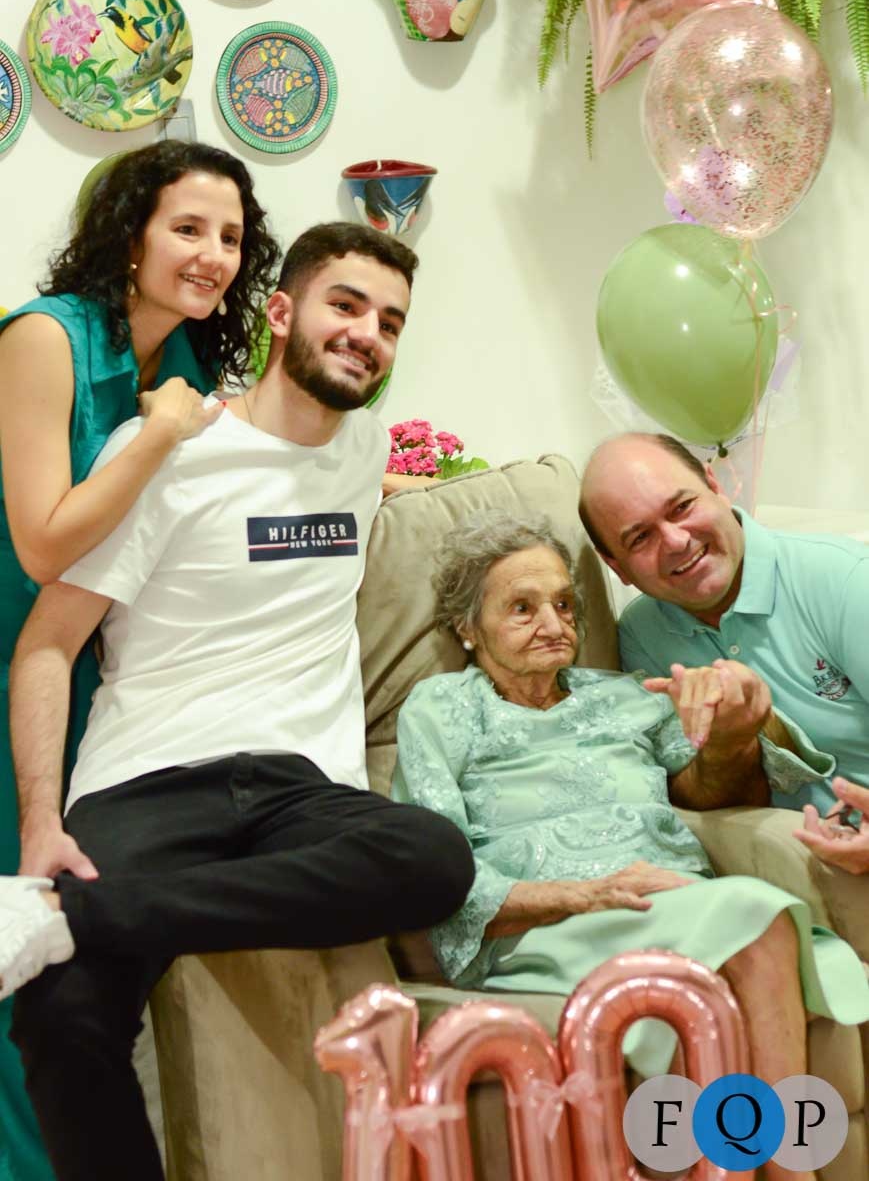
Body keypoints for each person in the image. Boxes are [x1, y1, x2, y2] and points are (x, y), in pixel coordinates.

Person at [0, 222, 474, 1181]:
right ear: (281, 312)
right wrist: (42, 825)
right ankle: (84, 919)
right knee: (60, 1014)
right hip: (145, 780)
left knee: (433, 858)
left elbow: (353, 480)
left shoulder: (362, 449)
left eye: (389, 322)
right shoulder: (170, 453)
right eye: (346, 305)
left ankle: (83, 914)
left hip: (301, 787)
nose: (367, 334)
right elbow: (48, 644)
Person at [392, 511, 869, 1181]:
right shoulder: (441, 709)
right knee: (757, 919)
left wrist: (734, 722)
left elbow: (717, 776)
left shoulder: (623, 696)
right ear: (468, 628)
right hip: (548, 926)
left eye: (564, 604)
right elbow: (431, 865)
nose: (553, 623)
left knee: (750, 930)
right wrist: (585, 895)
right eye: (522, 608)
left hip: (673, 902)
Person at [0, 139, 280, 1181]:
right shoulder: (45, 339)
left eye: (231, 237)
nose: (213, 255)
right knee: (15, 939)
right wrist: (159, 432)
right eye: (187, 228)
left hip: (90, 675)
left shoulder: (189, 364)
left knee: (57, 946)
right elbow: (42, 544)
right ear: (130, 237)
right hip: (16, 653)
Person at [579, 432, 869, 862]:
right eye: (640, 537)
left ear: (714, 485)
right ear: (616, 567)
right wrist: (727, 742)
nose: (675, 541)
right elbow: (703, 802)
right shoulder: (640, 636)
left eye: (682, 507)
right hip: (789, 874)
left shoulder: (844, 579)